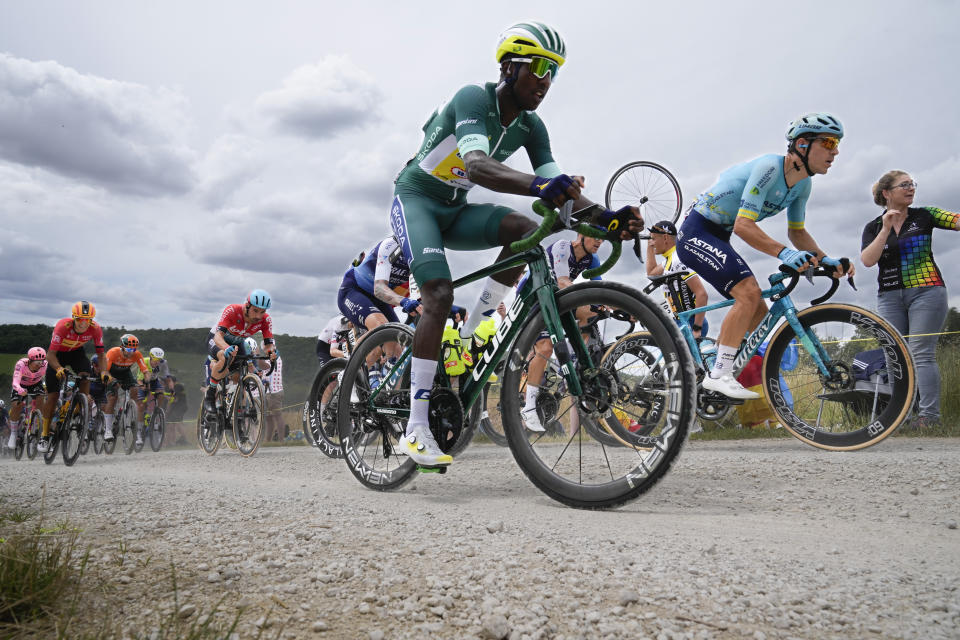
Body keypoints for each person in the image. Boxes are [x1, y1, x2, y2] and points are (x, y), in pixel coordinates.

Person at [387, 21, 642, 466]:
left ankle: (469, 340)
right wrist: (543, 187)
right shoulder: (474, 97)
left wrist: (608, 218)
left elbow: (560, 190)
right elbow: (479, 166)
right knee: (439, 295)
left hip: (455, 208)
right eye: (539, 67)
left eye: (554, 72)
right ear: (509, 66)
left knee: (527, 232)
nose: (546, 81)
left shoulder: (532, 126)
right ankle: (415, 427)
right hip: (417, 199)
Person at [675, 112, 853, 400]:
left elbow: (797, 232)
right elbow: (744, 225)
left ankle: (714, 361)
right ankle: (719, 374)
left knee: (757, 308)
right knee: (748, 293)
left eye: (837, 144)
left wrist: (825, 259)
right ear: (803, 145)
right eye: (830, 142)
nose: (835, 152)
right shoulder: (770, 168)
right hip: (697, 231)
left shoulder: (803, 184)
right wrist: (784, 253)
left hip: (719, 235)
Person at [860, 171, 959, 428]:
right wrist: (884, 228)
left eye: (912, 184)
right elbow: (868, 261)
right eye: (903, 185)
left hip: (927, 290)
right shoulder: (873, 226)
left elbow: (957, 220)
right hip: (889, 296)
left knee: (920, 353)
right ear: (887, 193)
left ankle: (929, 418)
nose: (910, 188)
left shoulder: (925, 215)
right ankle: (899, 417)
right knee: (894, 355)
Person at [518, 233, 603, 431]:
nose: (599, 241)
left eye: (602, 238)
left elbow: (599, 288)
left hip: (556, 298)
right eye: (595, 236)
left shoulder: (593, 258)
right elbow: (563, 281)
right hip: (533, 296)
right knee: (545, 348)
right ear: (581, 234)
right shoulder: (563, 247)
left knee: (590, 312)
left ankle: (575, 361)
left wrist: (619, 306)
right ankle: (529, 406)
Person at [39, 301, 105, 453]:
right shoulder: (63, 326)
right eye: (80, 319)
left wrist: (104, 372)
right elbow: (50, 355)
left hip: (76, 353)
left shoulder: (95, 329)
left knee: (85, 375)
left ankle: (80, 407)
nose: (83, 324)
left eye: (87, 320)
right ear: (74, 318)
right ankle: (44, 435)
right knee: (53, 396)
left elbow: (101, 355)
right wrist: (59, 368)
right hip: (58, 356)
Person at [203, 290, 278, 414]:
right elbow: (218, 337)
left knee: (240, 373)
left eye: (262, 312)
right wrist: (226, 348)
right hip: (217, 340)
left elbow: (268, 344)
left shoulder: (265, 320)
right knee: (225, 358)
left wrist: (271, 352)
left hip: (238, 342)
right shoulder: (233, 310)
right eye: (255, 310)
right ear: (247, 305)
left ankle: (238, 418)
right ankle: (210, 394)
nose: (258, 316)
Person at [646, 220, 709, 338]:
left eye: (653, 239)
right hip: (680, 321)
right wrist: (650, 247)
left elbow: (701, 294)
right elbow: (651, 274)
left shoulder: (677, 260)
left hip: (690, 322)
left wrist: (697, 329)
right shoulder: (668, 259)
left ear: (665, 238)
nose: (652, 242)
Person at [101, 334, 152, 445]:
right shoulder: (113, 352)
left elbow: (145, 371)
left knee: (135, 391)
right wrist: (110, 380)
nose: (131, 352)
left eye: (134, 349)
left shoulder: (137, 354)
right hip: (111, 373)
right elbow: (105, 371)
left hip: (125, 373)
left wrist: (148, 380)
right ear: (122, 347)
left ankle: (131, 411)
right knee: (113, 397)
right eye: (129, 349)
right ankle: (108, 430)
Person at [8, 347, 47, 449]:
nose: (39, 365)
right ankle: (13, 433)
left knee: (41, 400)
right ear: (30, 360)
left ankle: (39, 430)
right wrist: (20, 390)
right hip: (21, 385)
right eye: (37, 362)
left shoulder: (45, 364)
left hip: (36, 384)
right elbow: (15, 381)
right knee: (17, 405)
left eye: (41, 362)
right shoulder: (21, 364)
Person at [262, 341, 285, 442]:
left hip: (274, 391)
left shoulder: (275, 355)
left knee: (277, 416)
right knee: (269, 418)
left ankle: (281, 441)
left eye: (266, 347)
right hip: (268, 392)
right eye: (264, 348)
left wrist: (255, 357)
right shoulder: (270, 356)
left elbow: (266, 366)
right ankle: (268, 440)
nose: (265, 350)